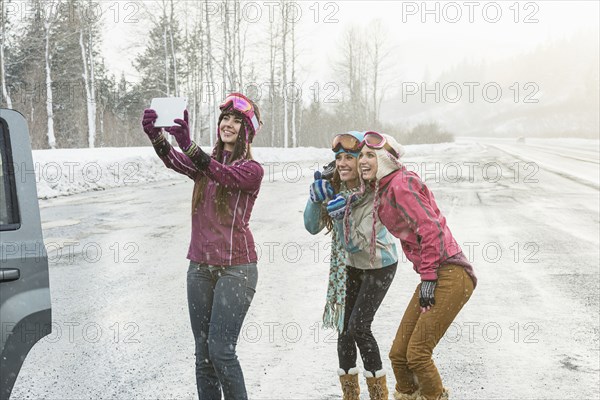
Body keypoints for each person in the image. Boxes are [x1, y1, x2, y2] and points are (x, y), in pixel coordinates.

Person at [141, 93, 264, 400]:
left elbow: (218, 172)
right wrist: (157, 137)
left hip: (237, 270)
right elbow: (176, 161)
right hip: (199, 267)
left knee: (221, 351)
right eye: (225, 118)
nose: (229, 124)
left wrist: (188, 143)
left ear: (247, 131)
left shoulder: (251, 171)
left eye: (238, 121)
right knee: (203, 355)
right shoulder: (203, 165)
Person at [357, 132, 477, 400]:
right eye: (361, 155)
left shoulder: (401, 184)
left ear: (386, 160)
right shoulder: (384, 188)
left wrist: (429, 277)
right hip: (436, 273)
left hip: (451, 273)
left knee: (418, 354)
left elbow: (431, 229)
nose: (362, 160)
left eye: (370, 155)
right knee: (399, 355)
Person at [304, 131, 399, 400]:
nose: (343, 163)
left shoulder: (374, 193)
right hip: (351, 265)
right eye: (339, 158)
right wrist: (314, 200)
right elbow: (311, 227)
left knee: (359, 326)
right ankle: (350, 396)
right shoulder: (337, 188)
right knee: (344, 330)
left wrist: (339, 218)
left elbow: (356, 244)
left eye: (351, 157)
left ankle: (379, 396)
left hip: (379, 265)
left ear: (363, 162)